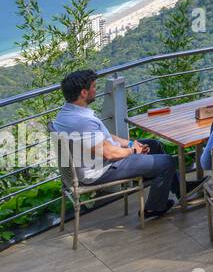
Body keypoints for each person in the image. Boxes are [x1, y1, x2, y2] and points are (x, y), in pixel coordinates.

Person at [51, 69, 180, 218]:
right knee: (167, 162)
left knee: (154, 145)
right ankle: (154, 207)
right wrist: (133, 150)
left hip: (95, 161)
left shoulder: (66, 114)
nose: (96, 90)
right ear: (83, 93)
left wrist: (130, 143)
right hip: (101, 169)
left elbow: (103, 137)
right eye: (93, 87)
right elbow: (109, 153)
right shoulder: (83, 122)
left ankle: (180, 189)